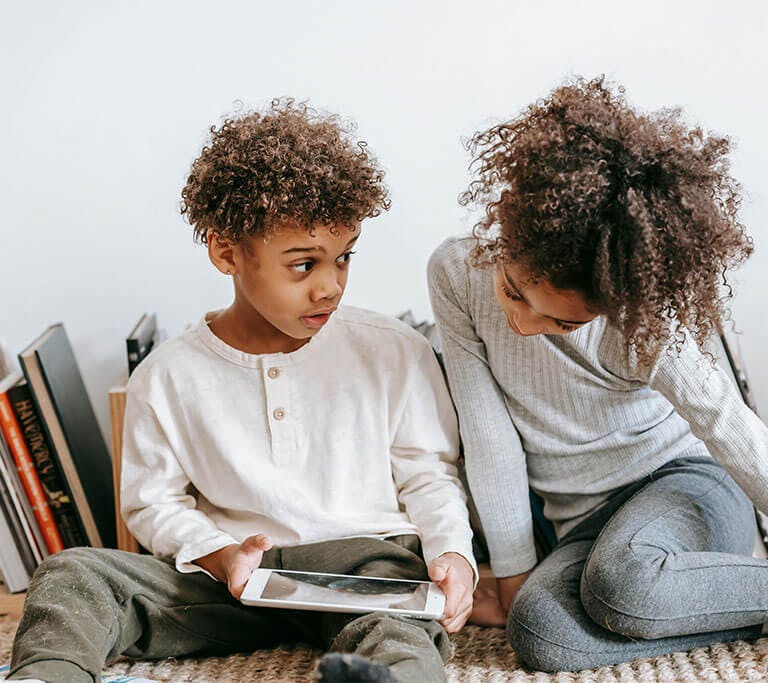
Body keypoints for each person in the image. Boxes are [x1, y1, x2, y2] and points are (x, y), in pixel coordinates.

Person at [8, 100, 476, 683]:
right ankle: (48, 675)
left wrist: (452, 554)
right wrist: (217, 553)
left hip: (362, 568)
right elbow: (153, 501)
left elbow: (428, 473)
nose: (330, 286)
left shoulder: (393, 348)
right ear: (226, 252)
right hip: (233, 579)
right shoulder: (167, 374)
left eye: (344, 257)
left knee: (399, 626)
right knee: (75, 573)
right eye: (303, 265)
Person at [428, 77, 768, 672]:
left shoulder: (641, 319)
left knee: (625, 583)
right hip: (584, 521)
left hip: (686, 484)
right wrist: (512, 570)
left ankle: (695, 585)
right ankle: (712, 601)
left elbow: (723, 420)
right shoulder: (456, 275)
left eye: (560, 322)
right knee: (538, 631)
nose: (526, 325)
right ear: (505, 231)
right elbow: (490, 437)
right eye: (513, 291)